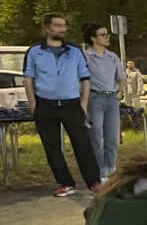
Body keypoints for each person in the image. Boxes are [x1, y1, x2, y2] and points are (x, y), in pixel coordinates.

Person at [22, 13, 101, 197]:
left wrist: (83, 103)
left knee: (83, 144)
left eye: (64, 26)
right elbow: (28, 78)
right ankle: (66, 182)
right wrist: (33, 105)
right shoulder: (34, 51)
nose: (62, 29)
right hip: (45, 105)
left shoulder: (74, 52)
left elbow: (85, 78)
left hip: (71, 104)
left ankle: (94, 182)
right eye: (57, 25)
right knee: (52, 147)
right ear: (47, 28)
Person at [83, 24, 126, 180]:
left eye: (107, 34)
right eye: (103, 35)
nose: (107, 37)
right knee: (96, 136)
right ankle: (101, 171)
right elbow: (81, 81)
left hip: (111, 99)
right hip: (95, 98)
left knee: (113, 137)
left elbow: (121, 78)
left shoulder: (112, 56)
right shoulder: (86, 57)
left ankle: (111, 169)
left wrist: (118, 93)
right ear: (93, 38)